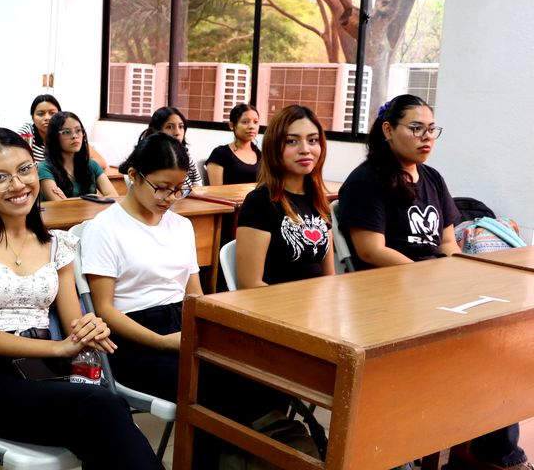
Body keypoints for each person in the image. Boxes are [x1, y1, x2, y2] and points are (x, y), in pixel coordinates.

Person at [0, 127, 163, 469]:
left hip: (46, 374)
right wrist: (60, 348)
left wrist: (90, 328)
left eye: (25, 170)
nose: (18, 185)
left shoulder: (58, 244)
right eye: (0, 177)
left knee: (103, 415)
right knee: (102, 408)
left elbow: (75, 323)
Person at [339, 94, 530, 470]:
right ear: (389, 130)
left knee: (493, 338)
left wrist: (465, 276)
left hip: (431, 288)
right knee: (434, 362)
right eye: (416, 128)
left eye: (431, 130)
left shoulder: (431, 178)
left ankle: (494, 451)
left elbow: (446, 243)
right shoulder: (366, 180)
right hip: (387, 293)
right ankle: (400, 452)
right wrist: (426, 278)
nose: (426, 138)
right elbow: (371, 250)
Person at [81, 132, 198, 403]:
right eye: (161, 187)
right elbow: (104, 310)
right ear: (134, 175)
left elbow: (195, 295)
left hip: (181, 321)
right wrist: (162, 341)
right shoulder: (105, 227)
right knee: (206, 381)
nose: (170, 197)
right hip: (132, 335)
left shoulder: (182, 226)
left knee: (249, 370)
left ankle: (265, 438)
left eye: (179, 189)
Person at [236, 105, 334, 288]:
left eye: (313, 140)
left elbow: (329, 277)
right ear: (274, 147)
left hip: (317, 308)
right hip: (277, 310)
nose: (305, 149)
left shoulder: (320, 202)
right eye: (291, 141)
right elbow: (249, 285)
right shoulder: (260, 203)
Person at [38, 111, 117, 202]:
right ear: (54, 137)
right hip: (59, 216)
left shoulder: (92, 165)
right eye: (67, 132)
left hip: (90, 216)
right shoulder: (44, 168)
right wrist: (93, 198)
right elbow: (59, 206)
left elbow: (114, 197)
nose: (75, 136)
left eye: (78, 130)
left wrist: (68, 201)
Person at [140, 106, 202, 187]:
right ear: (157, 130)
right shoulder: (149, 156)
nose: (177, 132)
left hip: (187, 197)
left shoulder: (185, 152)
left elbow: (197, 181)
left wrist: (194, 193)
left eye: (180, 126)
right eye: (169, 127)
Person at [205, 103, 261, 185]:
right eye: (245, 122)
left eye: (255, 122)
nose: (252, 126)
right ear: (232, 125)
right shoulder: (220, 154)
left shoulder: (261, 155)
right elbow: (215, 191)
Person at [18, 94, 60, 162]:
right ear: (33, 117)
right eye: (40, 114)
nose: (47, 118)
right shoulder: (28, 130)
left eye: (52, 113)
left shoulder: (63, 134)